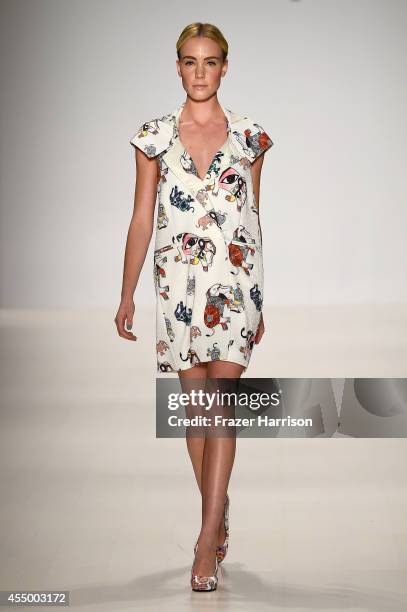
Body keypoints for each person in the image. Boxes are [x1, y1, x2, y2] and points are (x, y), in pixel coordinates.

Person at [115, 22, 274, 591]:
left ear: (225, 66)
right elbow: (140, 217)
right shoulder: (153, 137)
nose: (200, 72)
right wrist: (127, 291)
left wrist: (261, 294)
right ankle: (219, 502)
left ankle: (206, 540)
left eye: (210, 62)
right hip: (177, 288)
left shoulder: (251, 136)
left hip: (234, 287)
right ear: (178, 67)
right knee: (196, 415)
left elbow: (252, 219)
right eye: (190, 62)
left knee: (221, 409)